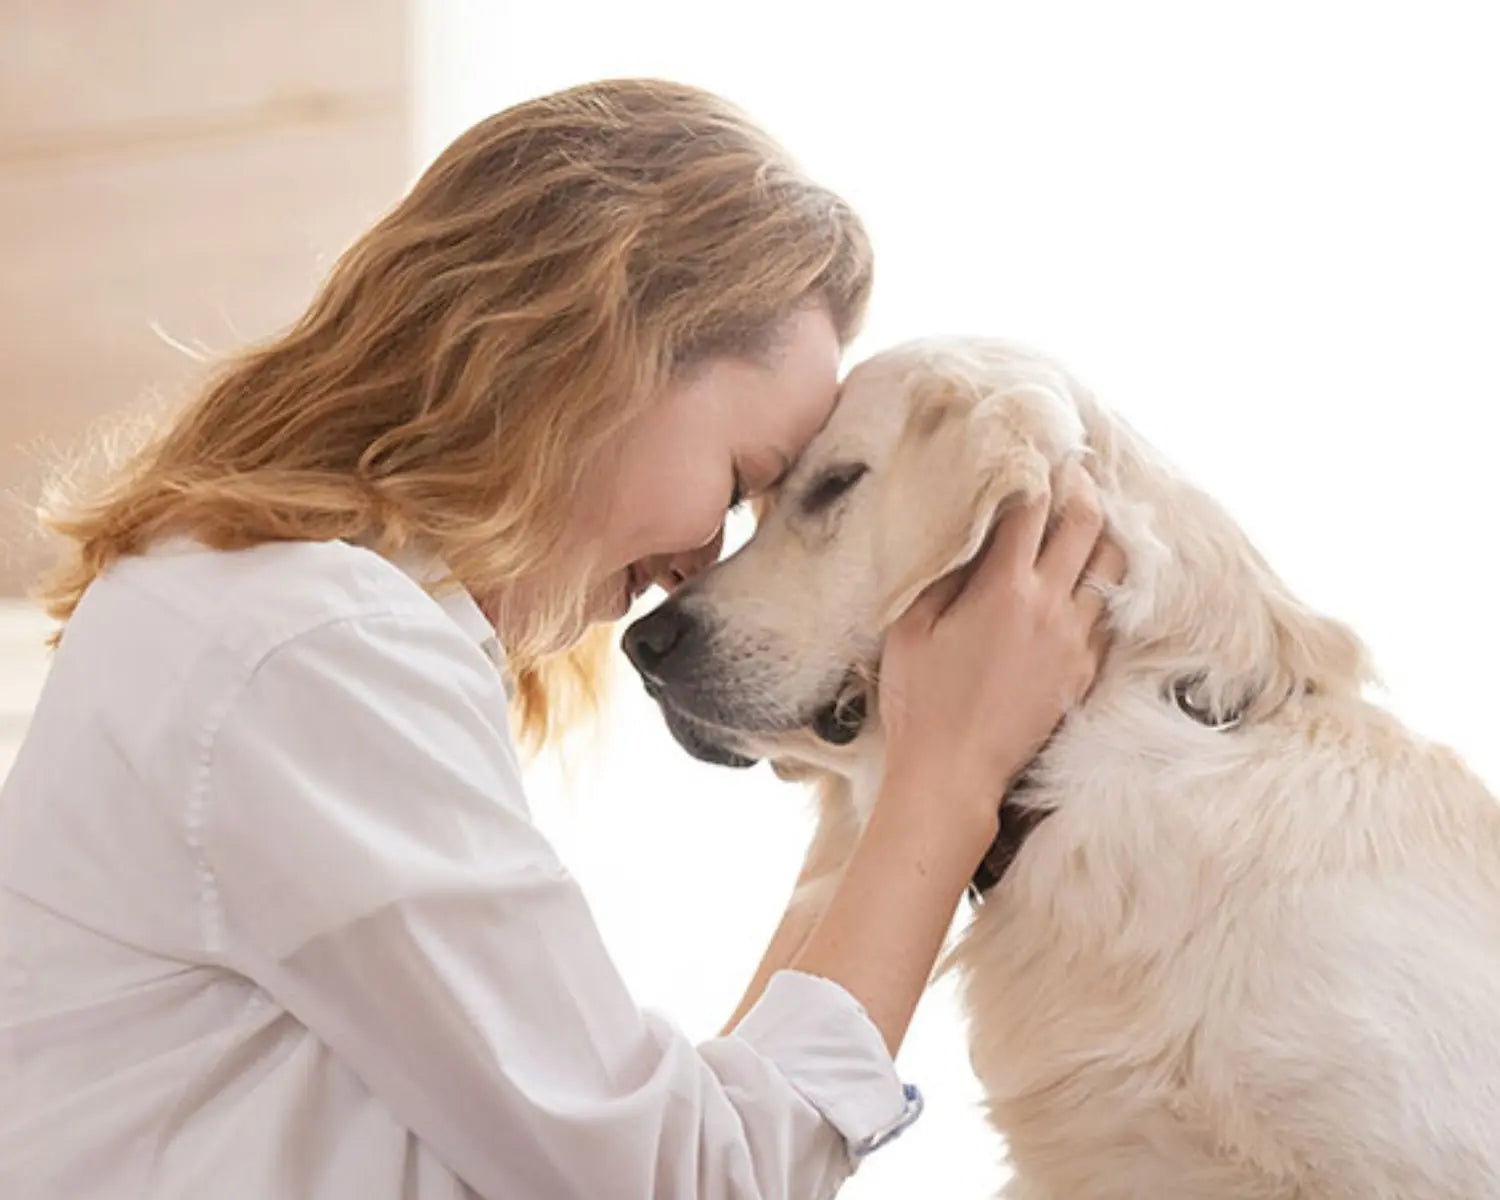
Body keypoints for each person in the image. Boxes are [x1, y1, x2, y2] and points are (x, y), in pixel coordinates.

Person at [0, 79, 1122, 1199]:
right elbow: (683, 1183)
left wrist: (883, 780)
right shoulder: (312, 651)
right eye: (740, 483)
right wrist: (948, 779)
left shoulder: (257, 607)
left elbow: (659, 1137)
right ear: (596, 348)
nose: (697, 568)